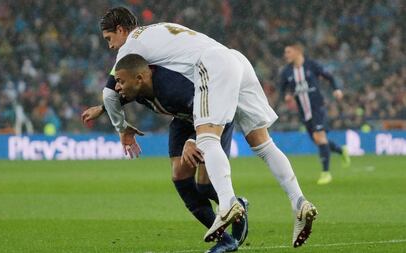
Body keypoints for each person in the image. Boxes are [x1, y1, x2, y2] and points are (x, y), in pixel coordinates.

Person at [99, 7, 317, 248]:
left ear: (121, 30)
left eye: (110, 39)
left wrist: (122, 127)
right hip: (236, 60)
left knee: (207, 140)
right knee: (263, 144)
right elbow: (127, 88)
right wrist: (101, 108)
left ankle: (227, 204)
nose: (112, 47)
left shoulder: (129, 46)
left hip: (211, 64)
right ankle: (299, 201)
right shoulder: (158, 30)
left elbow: (110, 93)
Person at [82, 64, 249, 253]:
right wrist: (103, 108)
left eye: (120, 82)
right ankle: (226, 240)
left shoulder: (173, 88)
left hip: (213, 116)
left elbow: (211, 110)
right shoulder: (138, 88)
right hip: (182, 120)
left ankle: (236, 204)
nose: (117, 87)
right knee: (180, 177)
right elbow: (121, 96)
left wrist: (194, 140)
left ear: (139, 78)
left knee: (205, 187)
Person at [280, 42, 351, 185]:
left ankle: (326, 173)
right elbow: (282, 89)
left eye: (288, 52)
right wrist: (286, 96)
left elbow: (329, 76)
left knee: (320, 136)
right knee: (317, 140)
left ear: (298, 51)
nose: (286, 55)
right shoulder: (286, 71)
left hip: (317, 107)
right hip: (304, 111)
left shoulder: (311, 65)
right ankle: (340, 150)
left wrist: (336, 89)